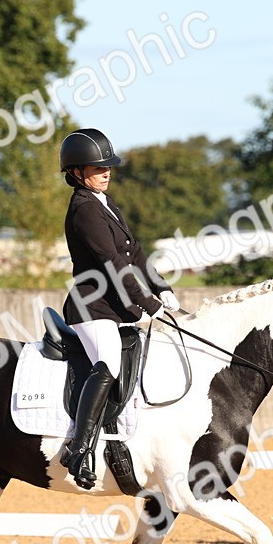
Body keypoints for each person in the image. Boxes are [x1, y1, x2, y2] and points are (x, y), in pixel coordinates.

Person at [57, 127, 181, 489]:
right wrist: (145, 303)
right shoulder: (83, 210)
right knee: (107, 362)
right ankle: (78, 449)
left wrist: (161, 286)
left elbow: (135, 252)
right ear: (77, 173)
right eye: (98, 168)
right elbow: (111, 263)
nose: (107, 172)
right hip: (91, 306)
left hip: (112, 306)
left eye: (108, 166)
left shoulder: (106, 204)